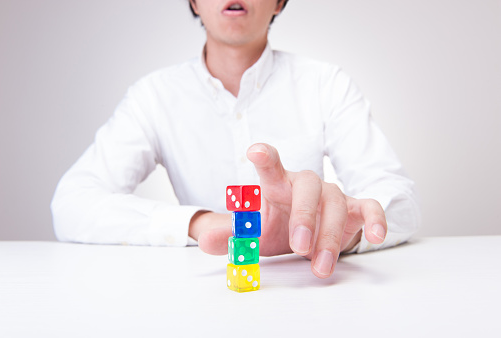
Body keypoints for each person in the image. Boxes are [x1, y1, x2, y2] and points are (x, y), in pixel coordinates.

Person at [51, 0, 420, 279]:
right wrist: (199, 223)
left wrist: (344, 231)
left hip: (308, 291)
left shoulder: (327, 84)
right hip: (199, 290)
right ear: (194, 1)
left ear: (278, 2)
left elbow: (399, 200)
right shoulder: (153, 96)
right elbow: (72, 203)